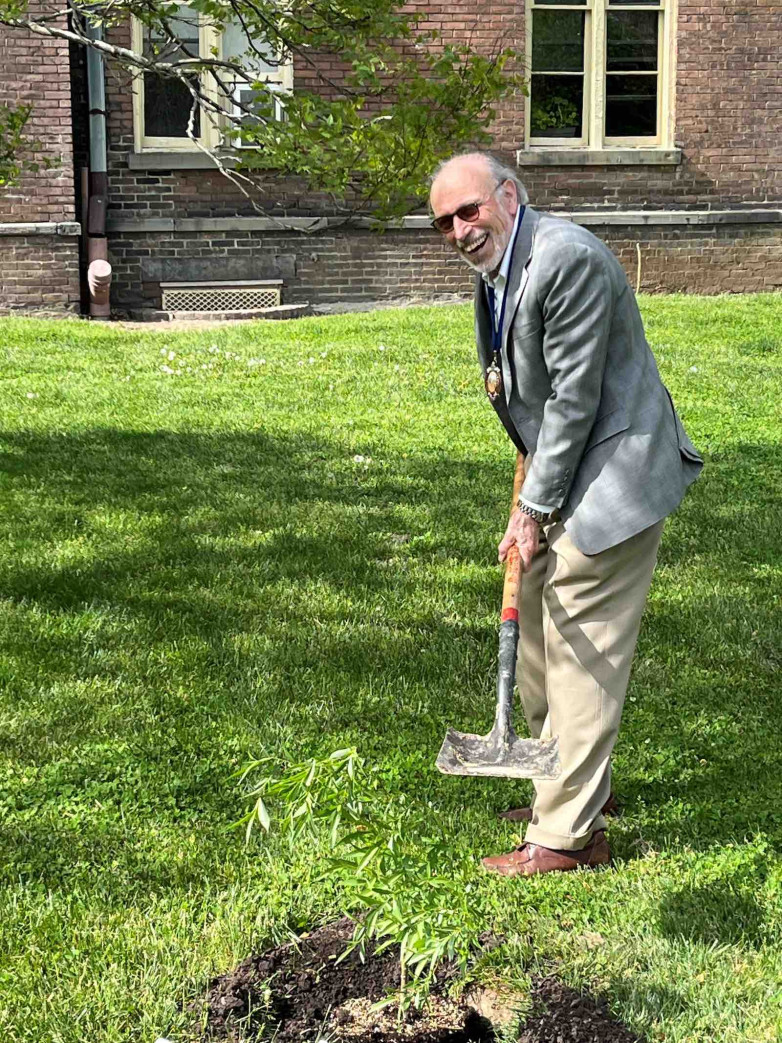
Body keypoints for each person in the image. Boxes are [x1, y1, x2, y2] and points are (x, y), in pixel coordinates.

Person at [428, 151, 703, 877]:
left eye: (469, 210)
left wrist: (533, 507)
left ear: (508, 196)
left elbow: (574, 398)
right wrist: (529, 494)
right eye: (444, 222)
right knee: (537, 637)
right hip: (561, 464)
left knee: (580, 642)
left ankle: (568, 838)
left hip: (614, 472)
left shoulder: (566, 259)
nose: (459, 230)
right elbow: (529, 391)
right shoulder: (499, 267)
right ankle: (571, 783)